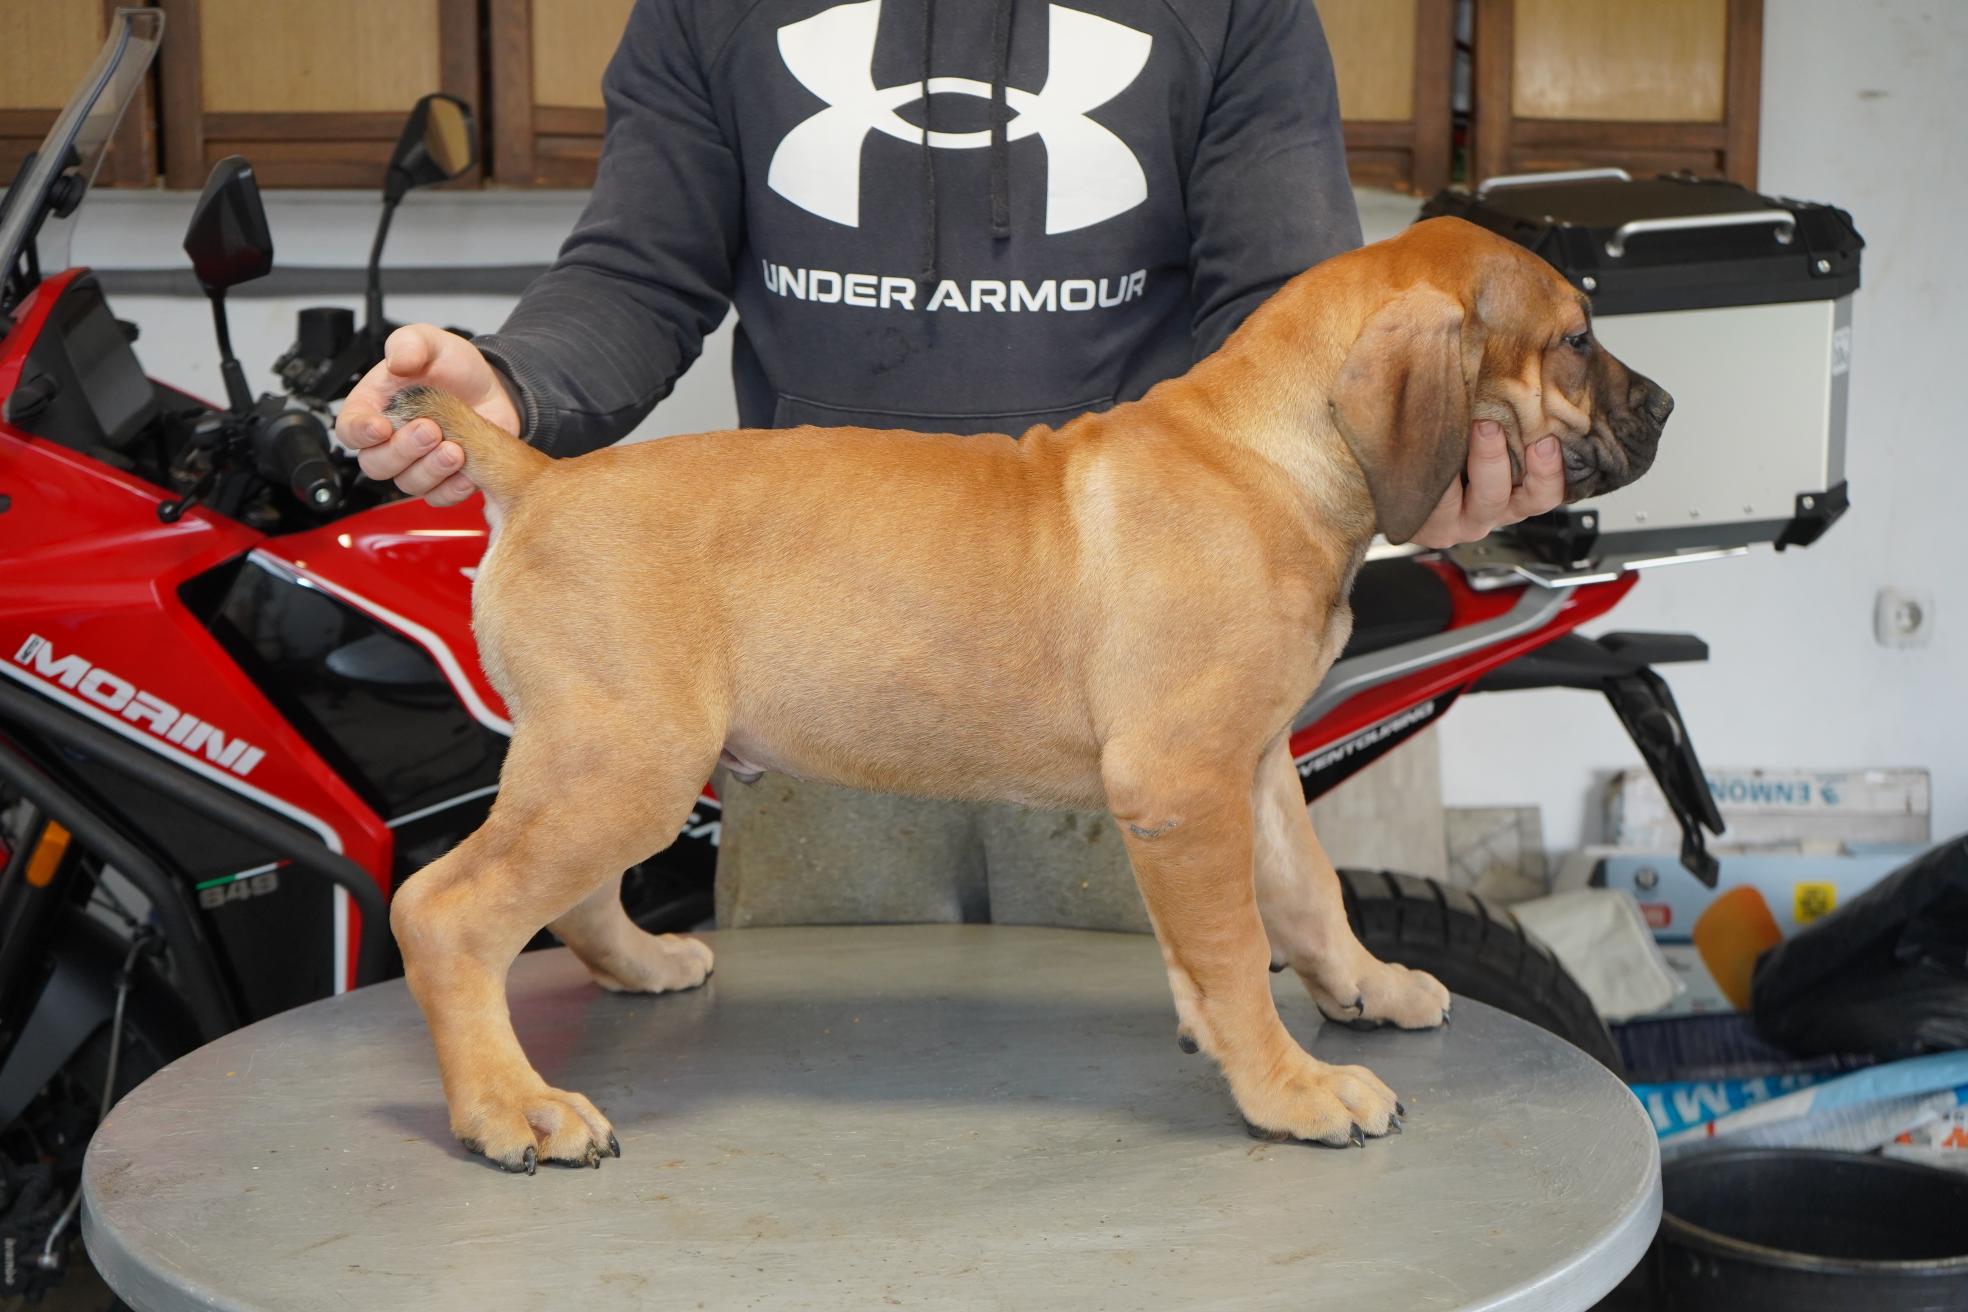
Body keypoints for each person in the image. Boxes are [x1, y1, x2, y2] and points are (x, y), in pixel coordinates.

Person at [338, 0, 1564, 929]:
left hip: (1134, 668)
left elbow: (1289, 330)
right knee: (805, 1144)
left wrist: (1423, 467)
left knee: (1144, 1153)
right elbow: (641, 271)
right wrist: (518, 384)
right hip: (824, 667)